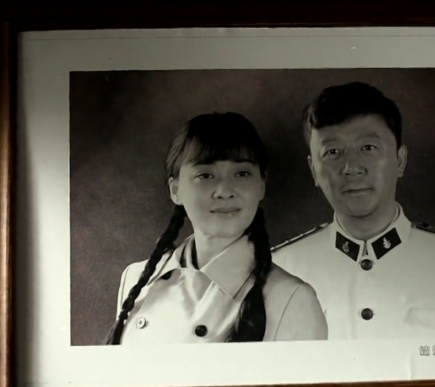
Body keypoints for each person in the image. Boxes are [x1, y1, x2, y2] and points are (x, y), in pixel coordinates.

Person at [271, 82, 435, 340]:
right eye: (332, 152)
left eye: (368, 148)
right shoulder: (279, 269)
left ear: (400, 161)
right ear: (313, 171)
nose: (351, 167)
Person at [107, 113, 328, 345]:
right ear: (176, 190)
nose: (224, 191)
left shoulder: (292, 299)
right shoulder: (136, 279)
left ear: (261, 185)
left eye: (241, 174)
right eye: (205, 175)